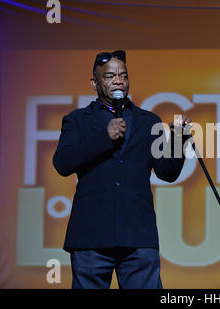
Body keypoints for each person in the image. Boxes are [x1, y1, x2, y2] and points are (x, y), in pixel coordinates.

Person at [53, 50, 190, 289]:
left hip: (138, 236)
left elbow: (167, 173)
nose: (118, 80)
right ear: (94, 83)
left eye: (123, 75)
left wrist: (178, 141)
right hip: (90, 237)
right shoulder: (77, 120)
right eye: (109, 76)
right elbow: (62, 163)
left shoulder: (149, 121)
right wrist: (104, 138)